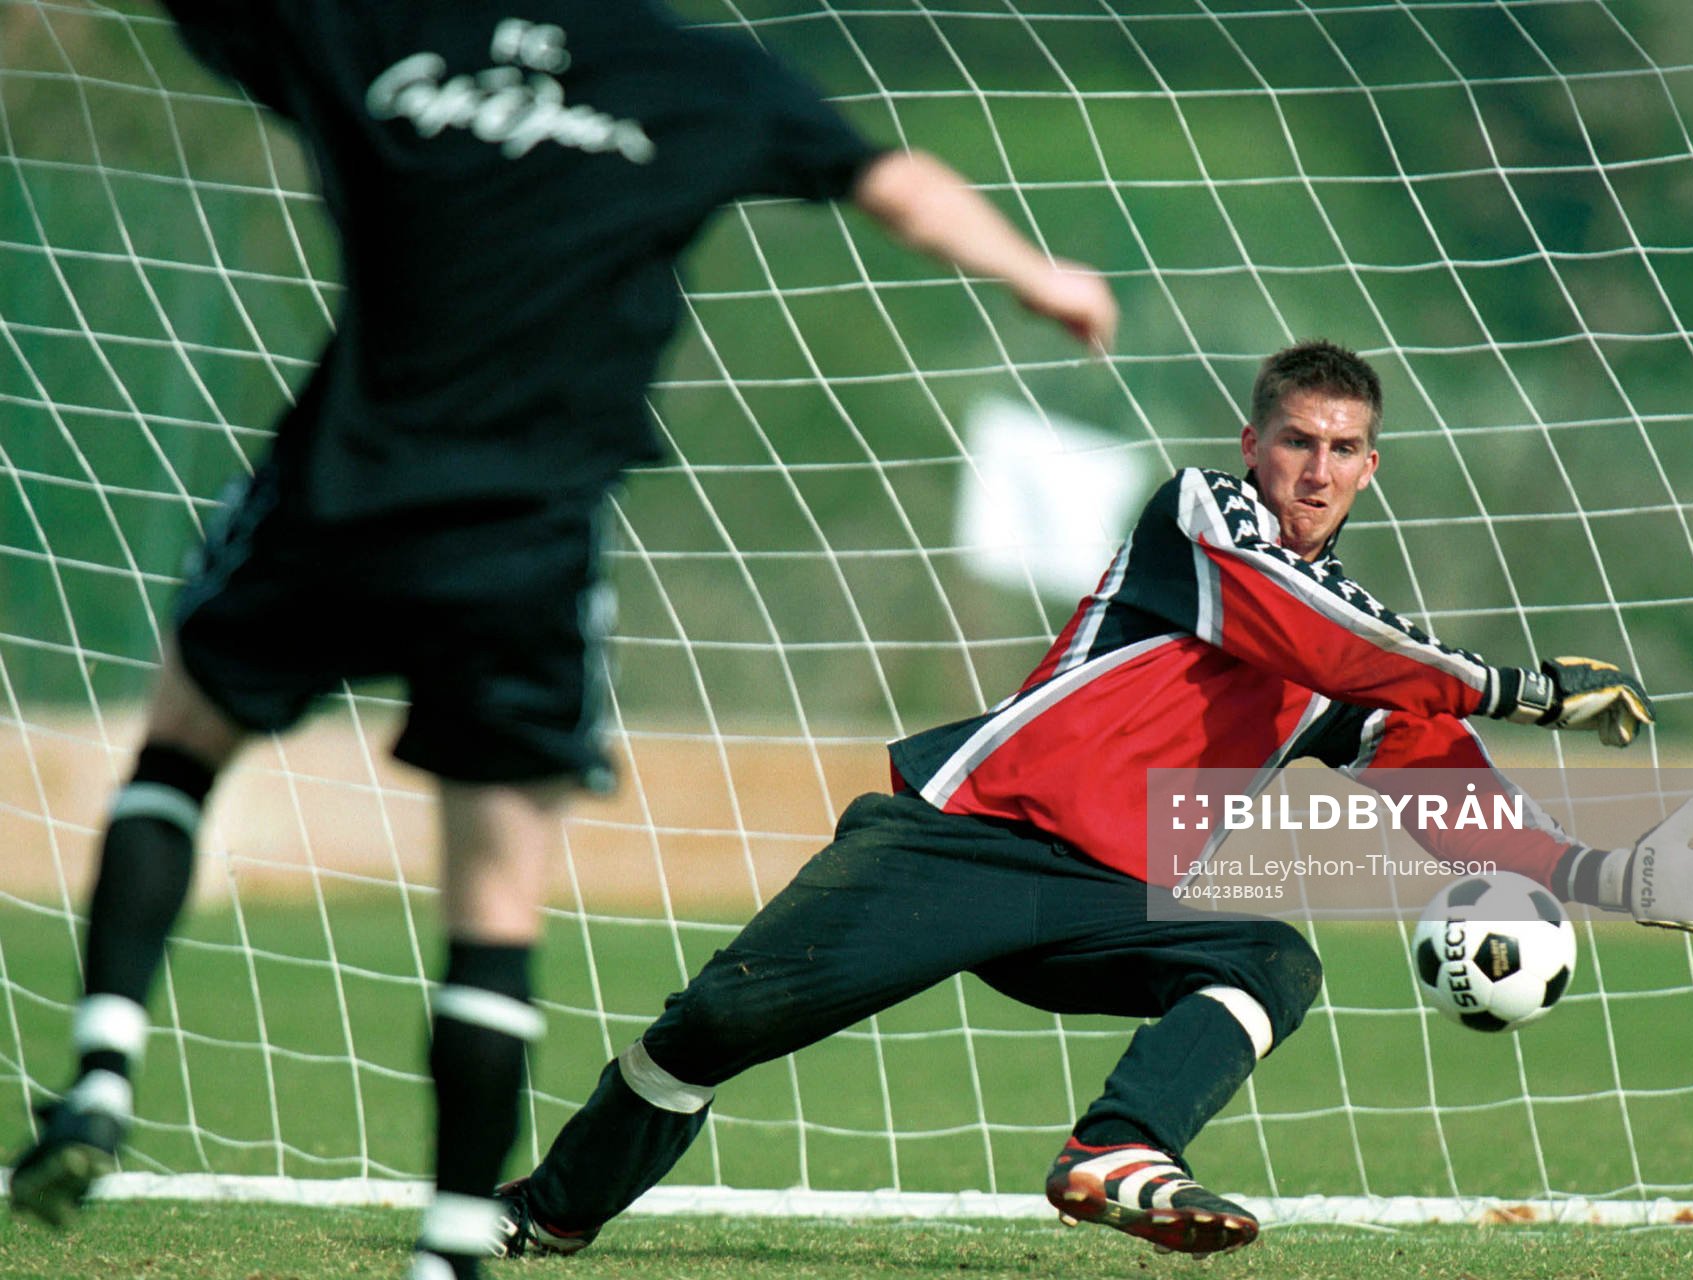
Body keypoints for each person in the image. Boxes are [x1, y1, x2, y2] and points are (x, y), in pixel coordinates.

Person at [4, 5, 1116, 1279]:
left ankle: (98, 1067)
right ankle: (452, 1243)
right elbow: (895, 182)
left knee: (180, 746)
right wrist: (1037, 273)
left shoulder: (372, 33)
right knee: (492, 901)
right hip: (520, 550)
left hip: (337, 502)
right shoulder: (698, 79)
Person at [488, 340, 1693, 1259]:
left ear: (1372, 467)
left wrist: (1615, 879)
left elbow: (1446, 787)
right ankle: (548, 1209)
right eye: (1298, 442)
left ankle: (1121, 1153)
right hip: (967, 844)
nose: (1316, 469)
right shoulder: (1200, 518)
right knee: (715, 1026)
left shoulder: (1367, 645)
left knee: (1267, 952)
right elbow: (1318, 639)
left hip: (1110, 897)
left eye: (1344, 450)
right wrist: (1514, 679)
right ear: (1252, 445)